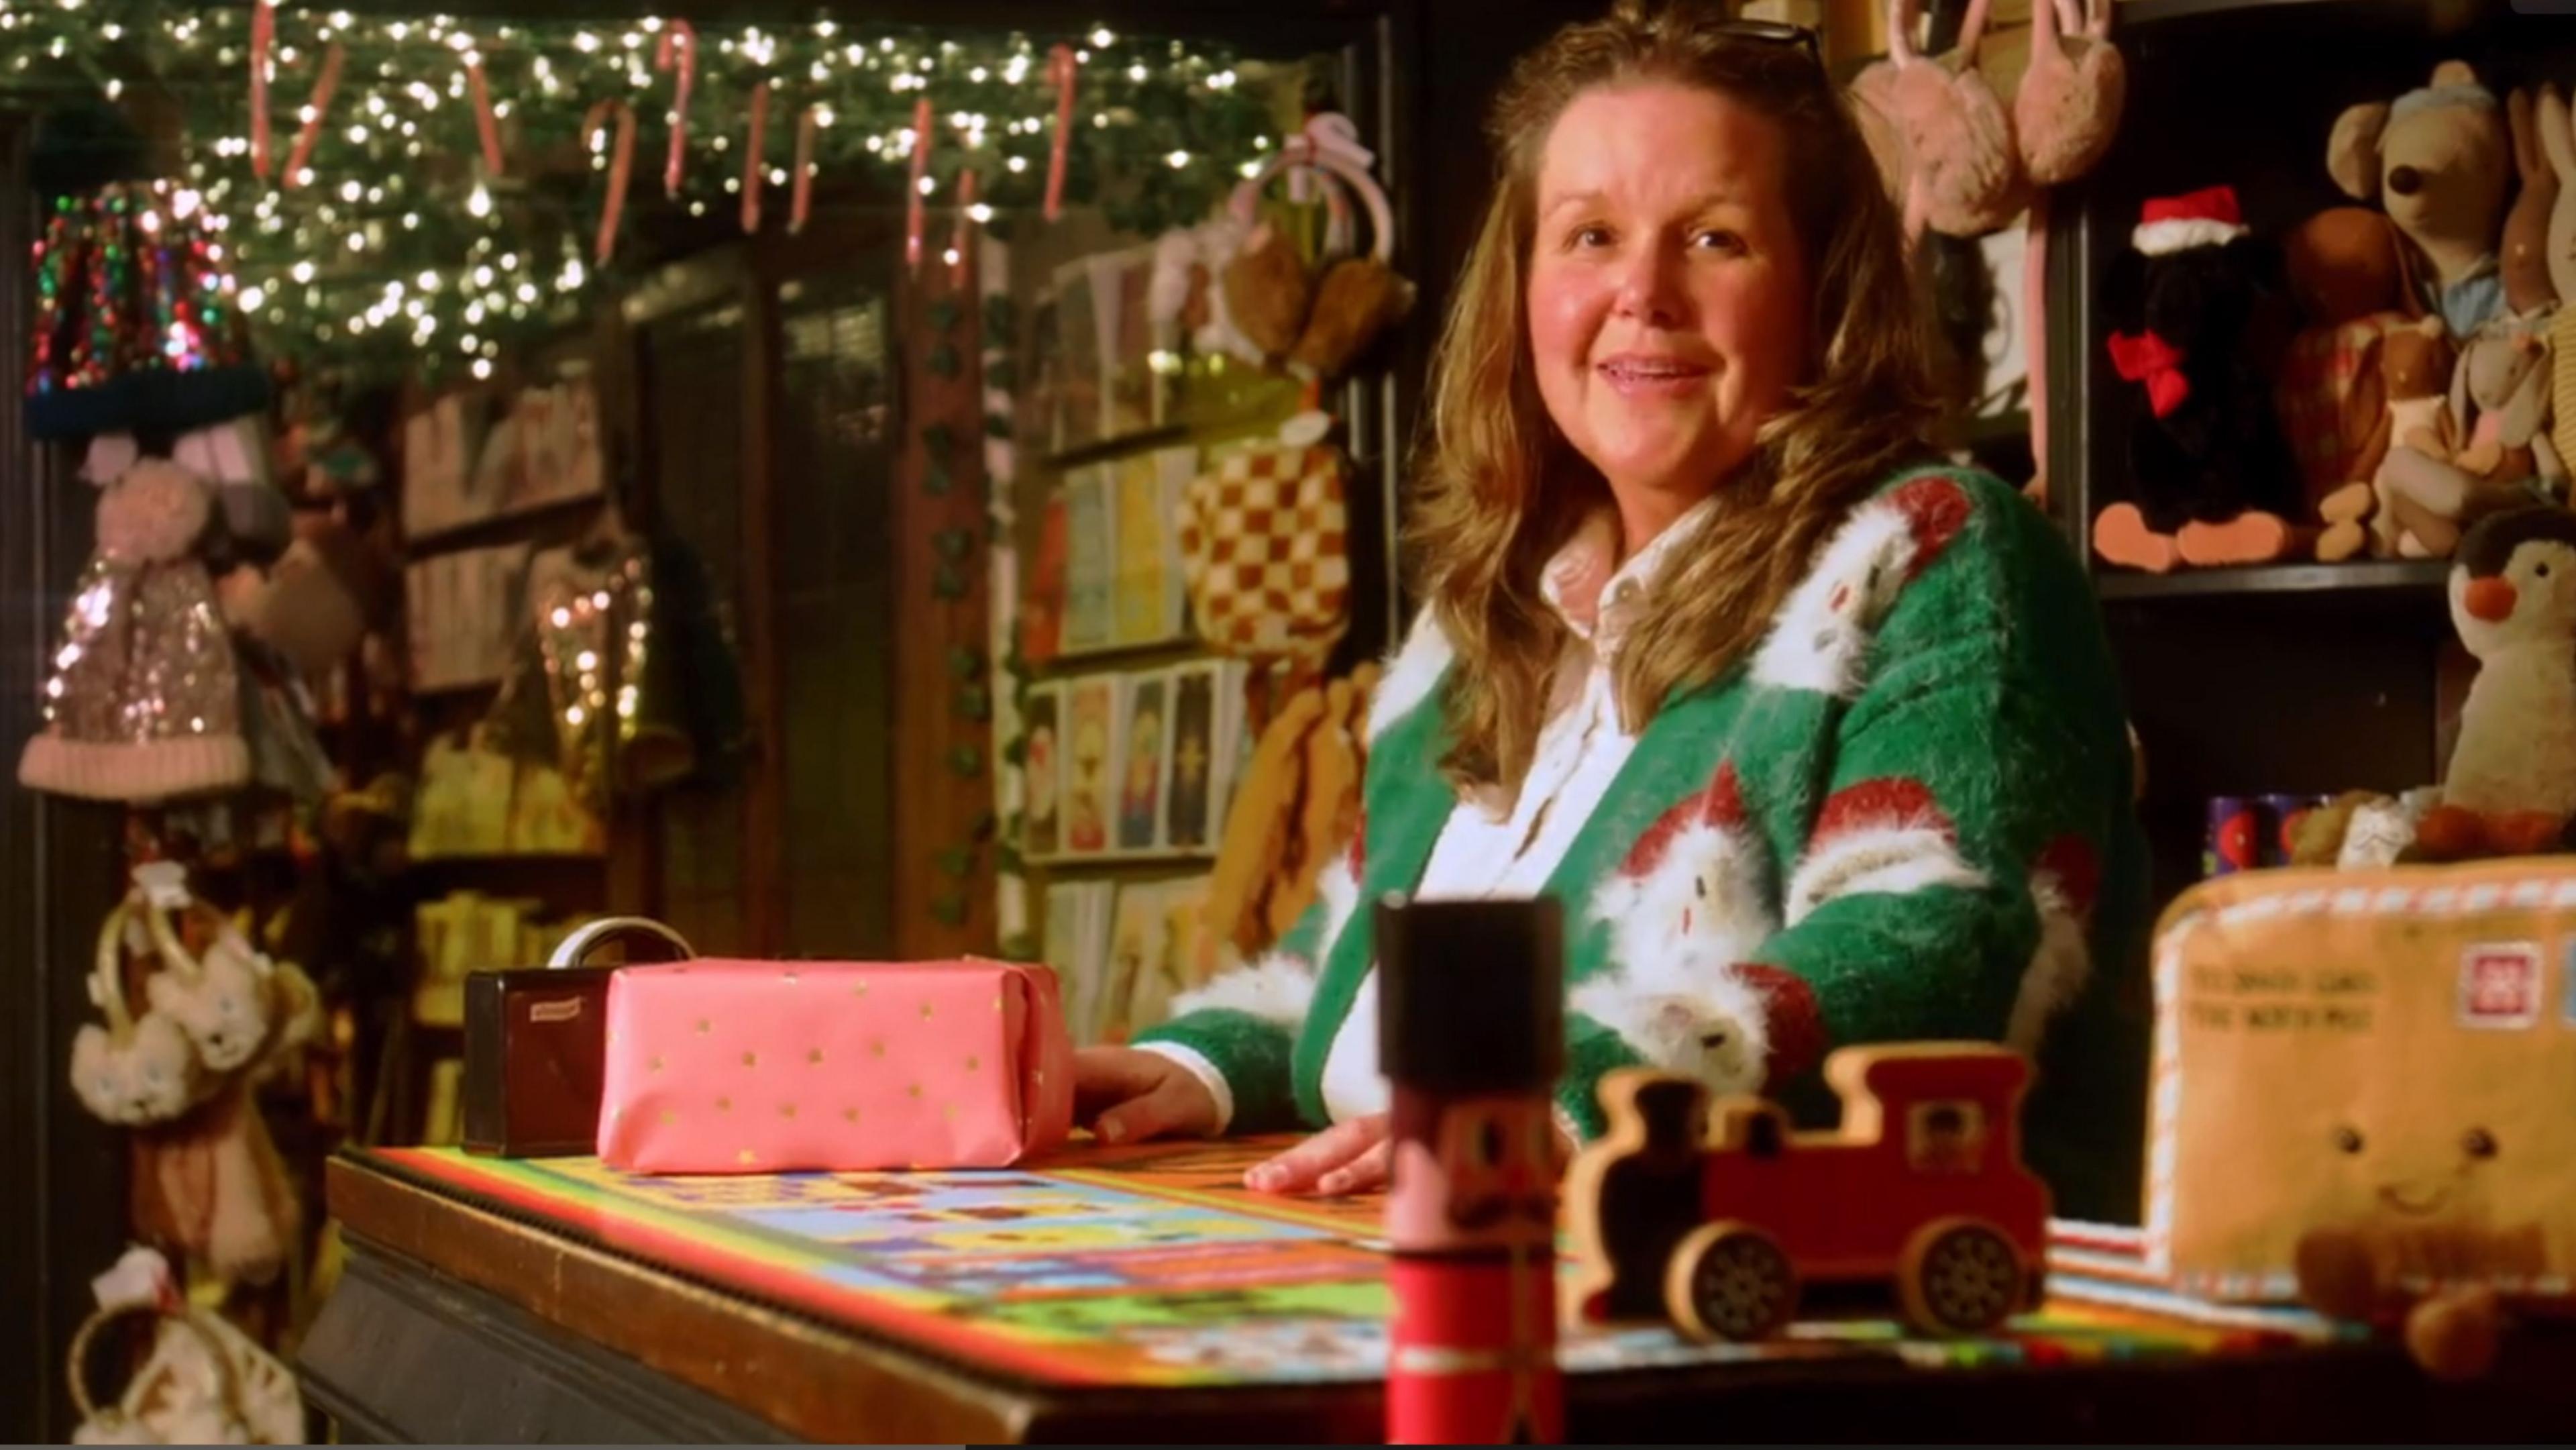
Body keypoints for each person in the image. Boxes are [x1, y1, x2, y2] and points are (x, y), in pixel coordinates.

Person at [1074, 0, 2149, 1221]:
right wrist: (1202, 1066)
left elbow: (1937, 946)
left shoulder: (1933, 552)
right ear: (1522, 290)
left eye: (1716, 239)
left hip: (1821, 1337)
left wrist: (1577, 1098)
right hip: (1437, 1279)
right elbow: (1364, 996)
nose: (1643, 291)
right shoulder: (1475, 631)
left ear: (1822, 291)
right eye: (1589, 235)